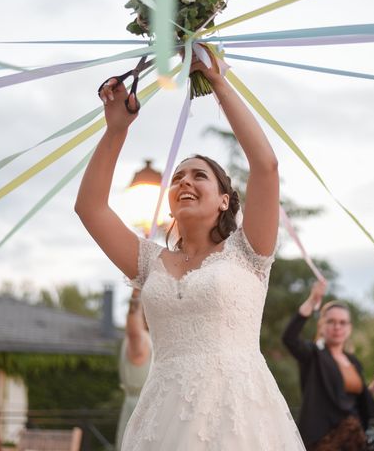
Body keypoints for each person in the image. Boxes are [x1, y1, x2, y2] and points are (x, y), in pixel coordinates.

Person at [75, 51, 305, 449]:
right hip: (163, 419)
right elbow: (89, 207)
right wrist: (116, 130)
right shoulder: (148, 261)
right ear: (169, 203)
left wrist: (217, 81)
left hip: (238, 417)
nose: (185, 181)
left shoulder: (248, 251)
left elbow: (265, 166)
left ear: (223, 200)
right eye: (178, 177)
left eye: (200, 175)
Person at [282, 280, 374, 451]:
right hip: (324, 439)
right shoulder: (314, 355)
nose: (337, 327)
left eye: (342, 322)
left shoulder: (353, 361)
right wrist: (313, 300)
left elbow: (358, 403)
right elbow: (289, 338)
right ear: (322, 325)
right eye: (331, 321)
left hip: (354, 439)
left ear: (349, 328)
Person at [115, 288, 152, 450]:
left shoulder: (151, 339)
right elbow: (134, 332)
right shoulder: (140, 340)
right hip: (140, 409)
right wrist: (136, 296)